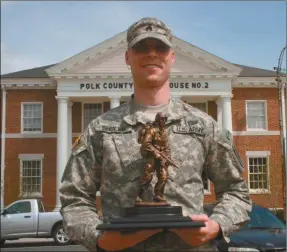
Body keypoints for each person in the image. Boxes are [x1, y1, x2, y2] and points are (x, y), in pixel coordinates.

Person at [59, 17, 252, 252]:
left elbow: (236, 190)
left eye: (160, 47)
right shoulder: (101, 129)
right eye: (142, 47)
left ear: (171, 56)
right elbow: (74, 197)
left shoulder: (203, 125)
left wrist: (216, 225)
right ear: (128, 57)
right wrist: (98, 239)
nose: (152, 54)